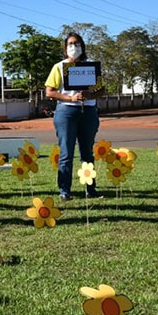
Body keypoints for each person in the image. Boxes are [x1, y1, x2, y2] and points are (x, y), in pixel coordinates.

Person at [44, 33, 105, 201]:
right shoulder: (59, 67)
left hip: (89, 112)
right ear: (65, 48)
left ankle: (91, 189)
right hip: (66, 112)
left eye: (77, 43)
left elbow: (101, 90)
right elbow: (50, 91)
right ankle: (65, 191)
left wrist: (90, 95)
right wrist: (70, 98)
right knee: (66, 153)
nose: (74, 47)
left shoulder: (90, 67)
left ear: (82, 46)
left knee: (87, 153)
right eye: (70, 44)